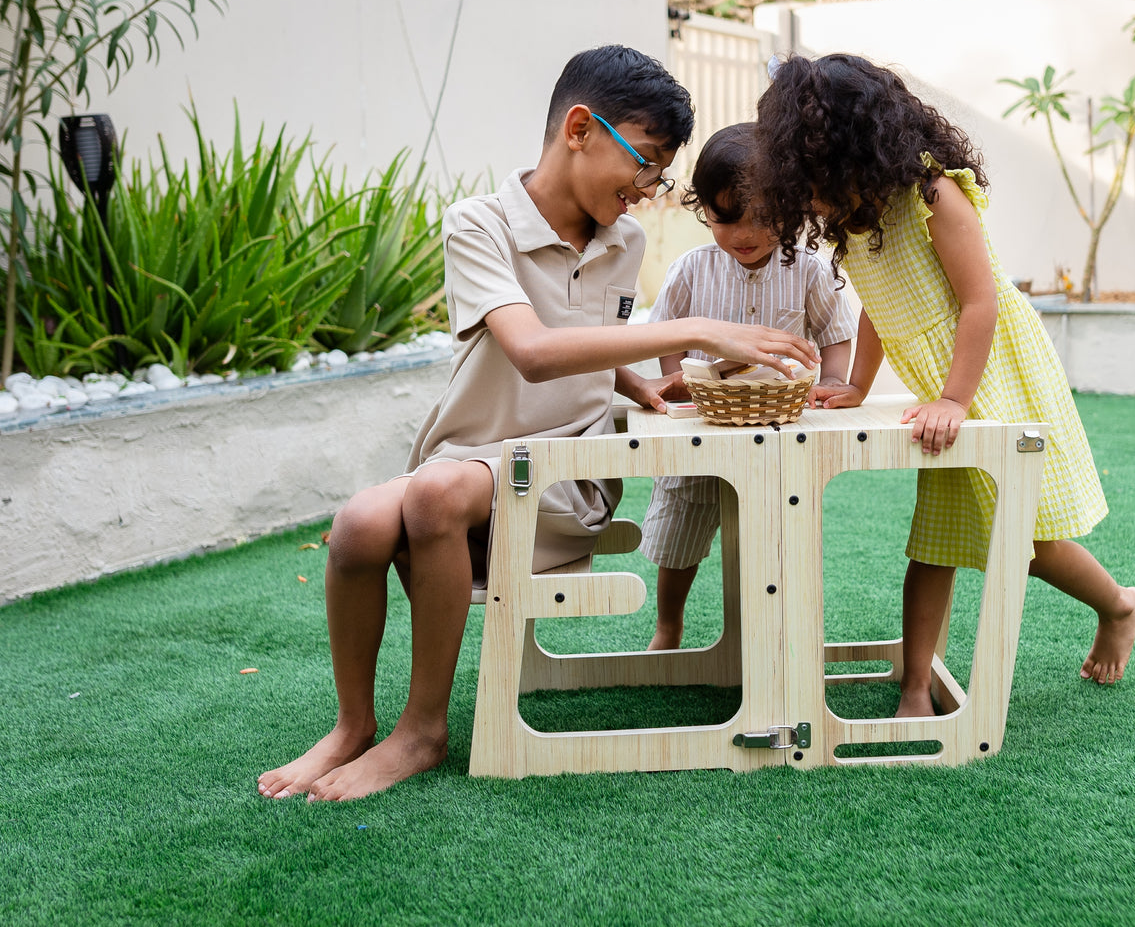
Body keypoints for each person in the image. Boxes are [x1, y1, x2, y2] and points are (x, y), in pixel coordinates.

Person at [257, 46, 819, 801]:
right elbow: (532, 349)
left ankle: (421, 731)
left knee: (431, 499)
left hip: (564, 473)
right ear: (580, 129)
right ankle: (354, 724)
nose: (648, 192)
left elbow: (585, 332)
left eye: (658, 175)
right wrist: (700, 329)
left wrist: (639, 386)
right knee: (358, 522)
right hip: (471, 454)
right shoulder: (478, 224)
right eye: (645, 164)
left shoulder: (623, 240)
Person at [750, 53, 1135, 717]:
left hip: (992, 377)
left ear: (859, 155)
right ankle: (913, 687)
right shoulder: (860, 215)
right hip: (948, 392)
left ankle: (1118, 604)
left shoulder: (933, 193)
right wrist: (852, 384)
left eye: (816, 180)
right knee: (932, 543)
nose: (811, 199)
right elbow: (882, 300)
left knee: (1027, 541)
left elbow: (978, 304)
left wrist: (956, 399)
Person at [638, 123, 857, 651]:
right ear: (703, 212)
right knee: (679, 535)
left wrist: (831, 380)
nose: (743, 234)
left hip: (777, 426)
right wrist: (676, 376)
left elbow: (836, 332)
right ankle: (669, 626)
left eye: (763, 218)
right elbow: (667, 329)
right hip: (703, 428)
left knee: (775, 533)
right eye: (724, 219)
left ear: (794, 208)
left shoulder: (809, 269)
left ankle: (776, 634)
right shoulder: (693, 268)